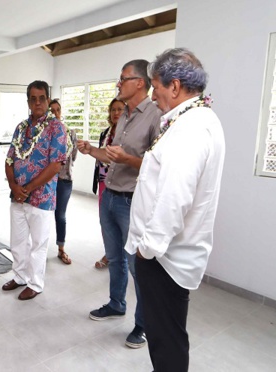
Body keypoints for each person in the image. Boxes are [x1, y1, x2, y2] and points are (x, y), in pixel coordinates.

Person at [126, 48, 225, 371]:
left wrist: (147, 249)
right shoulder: (197, 119)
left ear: (175, 86)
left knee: (166, 340)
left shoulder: (190, 129)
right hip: (169, 255)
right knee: (168, 336)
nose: (153, 96)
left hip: (165, 259)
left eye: (155, 87)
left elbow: (174, 199)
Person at [77, 60, 161, 348]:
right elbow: (112, 157)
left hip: (132, 202)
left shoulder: (155, 116)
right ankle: (116, 304)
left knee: (137, 266)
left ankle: (144, 324)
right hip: (109, 196)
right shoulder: (123, 115)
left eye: (123, 78)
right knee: (114, 258)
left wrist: (127, 159)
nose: (118, 83)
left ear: (140, 82)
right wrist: (92, 151)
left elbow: (157, 166)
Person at [2, 81, 70, 300]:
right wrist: (14, 186)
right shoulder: (21, 128)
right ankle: (20, 276)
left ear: (48, 100)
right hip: (18, 196)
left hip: (41, 197)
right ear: (28, 102)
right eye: (33, 98)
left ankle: (35, 283)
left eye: (42, 98)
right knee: (18, 241)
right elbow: (9, 159)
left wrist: (28, 189)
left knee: (38, 244)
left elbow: (55, 165)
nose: (38, 102)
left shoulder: (56, 128)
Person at [93, 98, 125, 269]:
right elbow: (100, 157)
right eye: (113, 110)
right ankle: (110, 253)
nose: (116, 113)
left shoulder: (128, 133)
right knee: (105, 221)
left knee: (121, 222)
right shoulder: (106, 133)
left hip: (121, 185)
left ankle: (120, 256)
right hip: (103, 182)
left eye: (120, 109)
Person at [50, 99, 78, 265]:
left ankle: (61, 248)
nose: (55, 113)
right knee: (43, 216)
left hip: (64, 179)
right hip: (46, 182)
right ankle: (37, 249)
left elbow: (73, 156)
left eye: (57, 110)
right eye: (51, 110)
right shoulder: (43, 134)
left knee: (60, 215)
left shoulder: (70, 133)